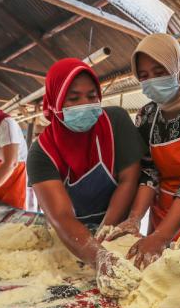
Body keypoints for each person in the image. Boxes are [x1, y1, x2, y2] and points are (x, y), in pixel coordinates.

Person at [102, 33, 180, 269]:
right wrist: (134, 219)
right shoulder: (147, 115)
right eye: (144, 76)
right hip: (162, 211)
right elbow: (149, 172)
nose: (152, 81)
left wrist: (161, 236)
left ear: (176, 67)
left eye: (160, 72)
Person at [27, 58, 145, 266]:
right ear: (56, 100)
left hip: (117, 229)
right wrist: (97, 255)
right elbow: (62, 217)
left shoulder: (114, 122)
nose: (85, 104)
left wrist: (106, 232)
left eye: (92, 96)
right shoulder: (42, 152)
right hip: (72, 237)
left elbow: (129, 179)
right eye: (73, 98)